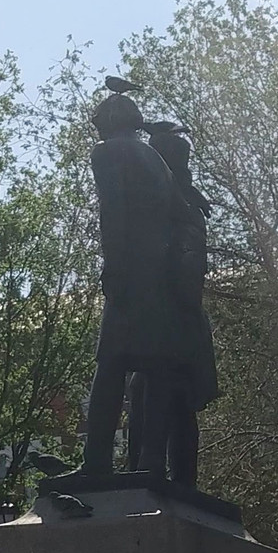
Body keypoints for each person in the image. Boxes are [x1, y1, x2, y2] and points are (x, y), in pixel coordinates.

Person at [80, 95, 194, 476]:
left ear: (112, 118)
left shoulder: (108, 151)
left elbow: (112, 211)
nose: (95, 125)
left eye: (98, 119)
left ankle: (96, 463)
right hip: (161, 276)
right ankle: (150, 463)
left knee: (110, 362)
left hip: (130, 271)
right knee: (155, 364)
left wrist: (113, 268)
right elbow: (184, 214)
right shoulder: (156, 160)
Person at [127, 130, 218, 486]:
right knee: (148, 391)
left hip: (174, 321)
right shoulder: (168, 201)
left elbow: (188, 270)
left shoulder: (181, 206)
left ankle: (166, 478)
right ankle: (150, 475)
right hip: (166, 319)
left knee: (167, 394)